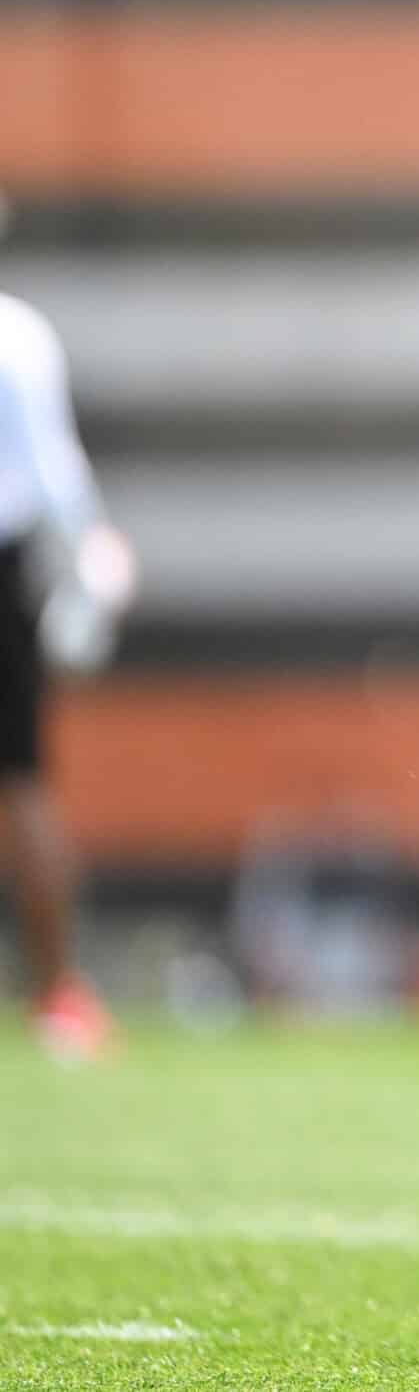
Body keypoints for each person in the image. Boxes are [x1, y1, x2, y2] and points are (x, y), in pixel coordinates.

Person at [0, 291, 135, 1063]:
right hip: (3, 566)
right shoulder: (15, 334)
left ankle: (56, 989)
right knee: (21, 780)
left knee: (21, 783)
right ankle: (58, 993)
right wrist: (91, 550)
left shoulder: (15, 335)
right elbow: (52, 470)